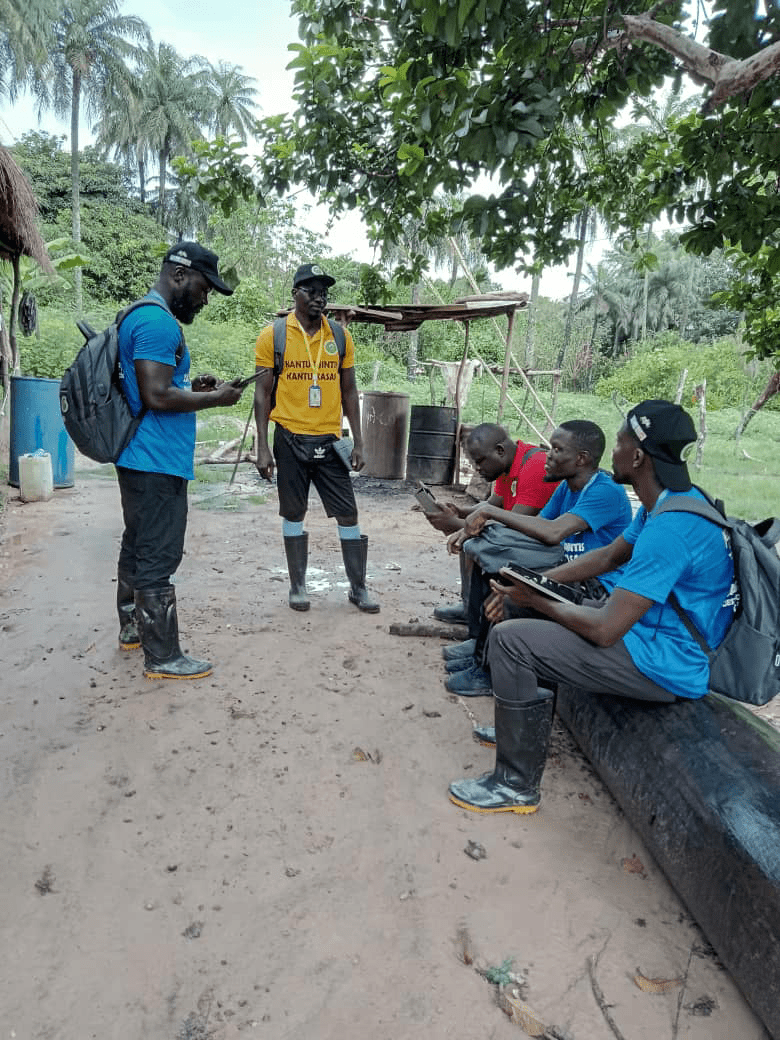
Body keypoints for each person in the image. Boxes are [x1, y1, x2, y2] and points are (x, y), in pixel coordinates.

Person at [448, 400, 738, 815]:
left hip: (664, 664)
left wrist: (539, 599)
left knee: (513, 640)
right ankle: (524, 732)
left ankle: (514, 785)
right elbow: (605, 559)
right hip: (647, 638)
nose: (613, 451)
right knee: (521, 606)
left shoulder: (670, 529)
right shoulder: (674, 500)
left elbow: (605, 630)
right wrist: (533, 583)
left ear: (637, 456)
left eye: (619, 441)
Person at [115, 241, 245, 679]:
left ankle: (132, 629)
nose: (205, 299)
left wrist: (197, 386)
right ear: (178, 276)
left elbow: (161, 384)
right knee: (158, 554)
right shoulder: (157, 323)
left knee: (137, 544)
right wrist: (217, 401)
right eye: (204, 289)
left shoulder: (143, 315)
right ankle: (163, 656)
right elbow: (155, 395)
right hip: (156, 459)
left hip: (139, 455)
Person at [443, 420, 633, 695]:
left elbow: (554, 532)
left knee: (505, 577)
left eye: (557, 449)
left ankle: (487, 670)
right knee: (497, 561)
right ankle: (480, 652)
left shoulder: (605, 491)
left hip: (596, 587)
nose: (549, 454)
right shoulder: (567, 488)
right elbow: (533, 533)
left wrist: (491, 515)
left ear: (581, 459)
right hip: (569, 573)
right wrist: (480, 531)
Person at [253, 262, 379, 613]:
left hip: (329, 440)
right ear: (295, 293)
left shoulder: (339, 336)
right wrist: (262, 447)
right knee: (293, 512)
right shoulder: (273, 336)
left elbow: (350, 391)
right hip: (289, 439)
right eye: (311, 291)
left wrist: (359, 440)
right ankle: (297, 587)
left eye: (324, 292)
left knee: (348, 514)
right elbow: (262, 395)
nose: (319, 298)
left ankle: (357, 587)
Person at [424, 423, 557, 624]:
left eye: (480, 462)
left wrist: (456, 523)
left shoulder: (535, 466)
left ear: (500, 451)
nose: (477, 469)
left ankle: (477, 616)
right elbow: (493, 505)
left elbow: (510, 525)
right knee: (470, 536)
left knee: (475, 538)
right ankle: (470, 608)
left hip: (549, 547)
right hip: (527, 537)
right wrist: (459, 512)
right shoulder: (509, 465)